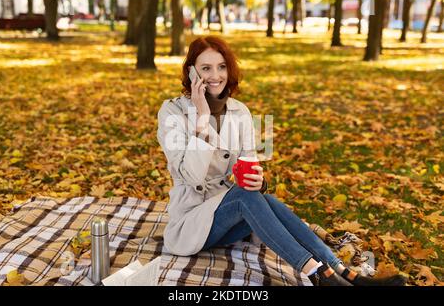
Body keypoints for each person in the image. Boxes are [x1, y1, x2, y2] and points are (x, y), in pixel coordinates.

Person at [157, 36, 406, 286]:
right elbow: (191, 177)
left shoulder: (240, 111)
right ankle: (318, 275)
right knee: (245, 196)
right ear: (191, 72)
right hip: (191, 224)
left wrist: (259, 181)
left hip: (228, 219)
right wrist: (202, 117)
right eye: (205, 68)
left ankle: (345, 273)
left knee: (262, 197)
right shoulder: (172, 112)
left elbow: (250, 164)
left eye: (221, 66)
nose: (215, 75)